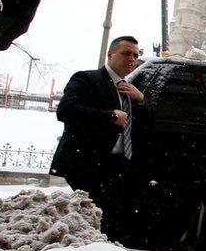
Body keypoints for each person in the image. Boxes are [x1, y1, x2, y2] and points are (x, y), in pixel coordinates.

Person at [50, 36, 145, 231]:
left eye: (136, 55)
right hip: (86, 164)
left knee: (110, 221)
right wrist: (110, 116)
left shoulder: (130, 89)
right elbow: (66, 110)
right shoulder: (87, 79)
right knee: (88, 223)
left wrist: (141, 99)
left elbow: (146, 122)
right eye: (126, 53)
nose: (132, 59)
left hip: (114, 165)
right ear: (110, 55)